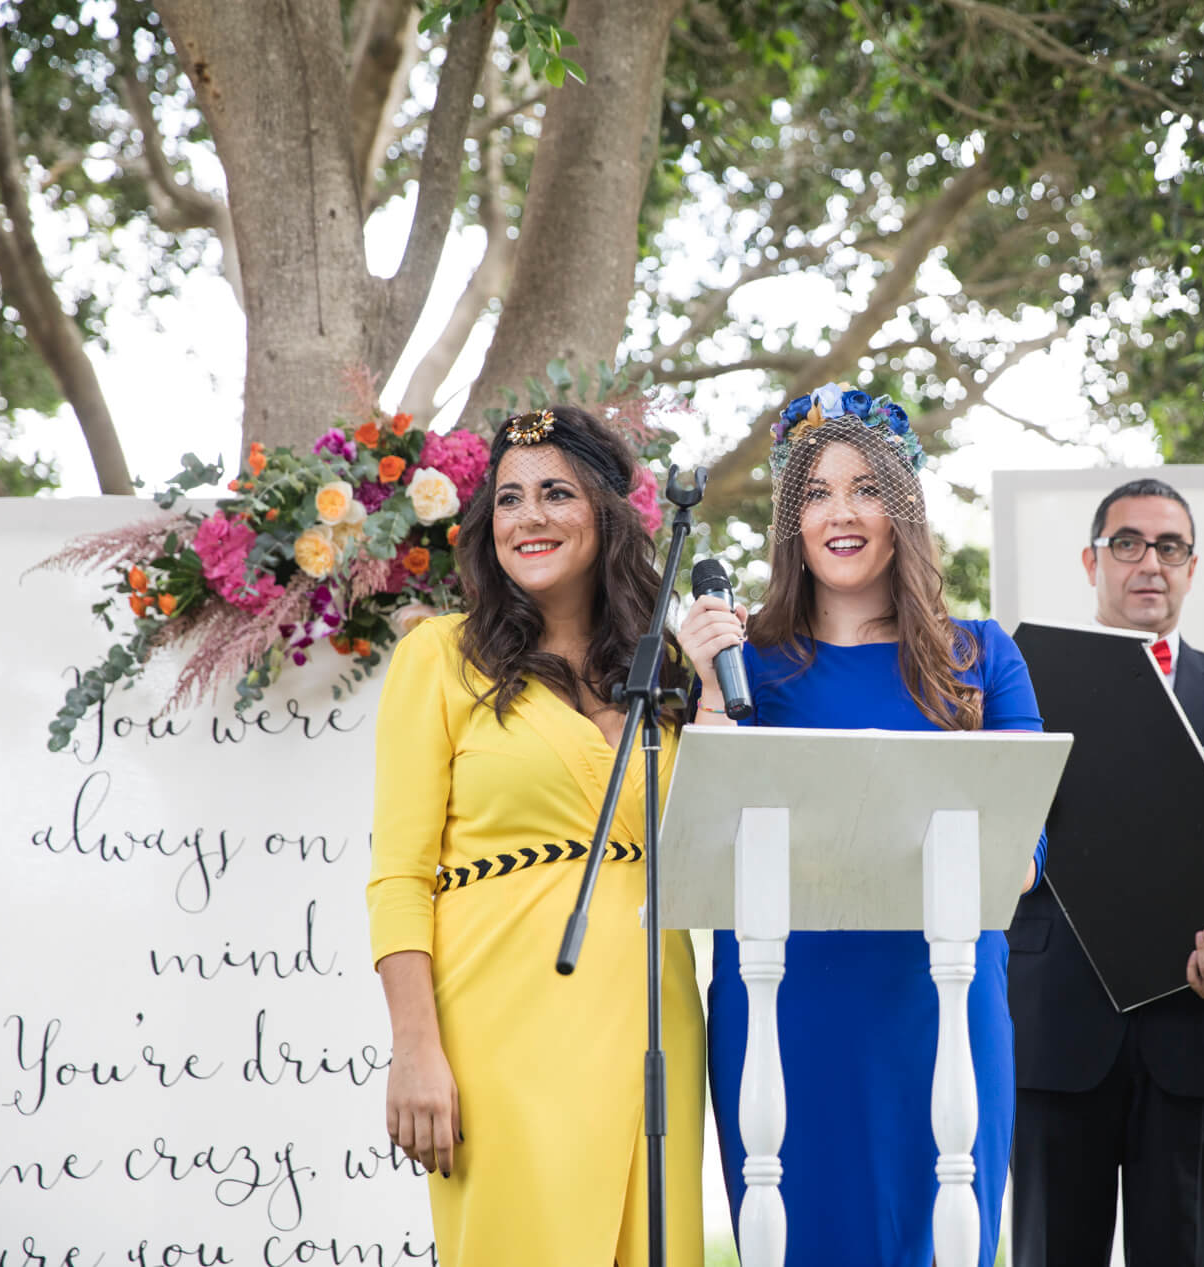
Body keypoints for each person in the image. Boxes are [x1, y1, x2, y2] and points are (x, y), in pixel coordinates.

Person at [678, 383, 1048, 1267]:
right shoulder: (744, 665)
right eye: (815, 493)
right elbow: (705, 838)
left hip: (940, 1004)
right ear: (789, 524)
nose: (840, 513)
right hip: (786, 1005)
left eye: (866, 488)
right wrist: (704, 685)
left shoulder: (981, 656)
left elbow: (1023, 859)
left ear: (904, 508)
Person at [366, 407, 706, 1266]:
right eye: (509, 499)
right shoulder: (439, 657)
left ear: (605, 511)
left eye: (556, 492)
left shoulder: (663, 671)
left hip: (654, 1022)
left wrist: (711, 690)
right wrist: (414, 1048)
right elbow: (398, 874)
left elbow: (717, 841)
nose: (530, 517)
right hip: (500, 1026)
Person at [1005, 477, 1204, 1267]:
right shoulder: (1024, 684)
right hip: (1056, 1033)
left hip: (1197, 1038)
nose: (1150, 561)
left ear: (1191, 565)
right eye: (1128, 543)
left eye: (1169, 546)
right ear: (1091, 560)